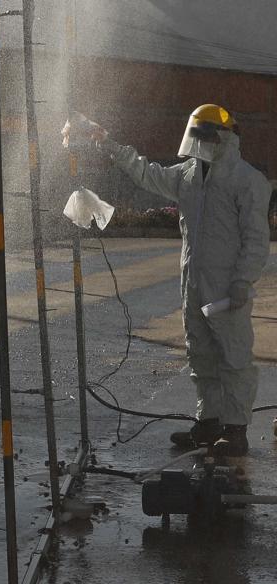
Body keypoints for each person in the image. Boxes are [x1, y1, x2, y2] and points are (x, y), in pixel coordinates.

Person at [69, 105, 271, 457]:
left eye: (201, 138)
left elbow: (255, 238)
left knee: (234, 357)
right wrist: (109, 145)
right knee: (201, 354)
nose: (195, 144)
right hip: (193, 282)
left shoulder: (245, 180)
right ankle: (208, 423)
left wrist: (243, 281)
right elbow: (146, 173)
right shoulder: (189, 176)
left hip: (227, 289)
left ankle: (235, 430)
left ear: (221, 139)